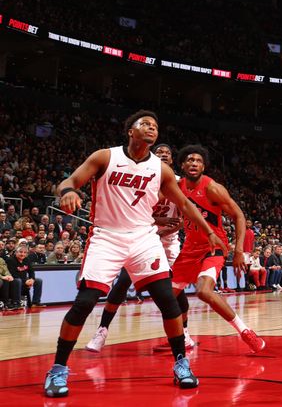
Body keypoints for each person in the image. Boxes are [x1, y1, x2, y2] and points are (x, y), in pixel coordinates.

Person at [44, 111, 226, 397]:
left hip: (144, 238)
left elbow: (187, 205)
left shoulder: (161, 169)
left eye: (155, 126)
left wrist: (209, 230)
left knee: (168, 300)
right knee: (84, 302)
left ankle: (181, 363)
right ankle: (57, 368)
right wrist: (67, 192)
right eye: (145, 124)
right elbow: (68, 182)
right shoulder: (105, 157)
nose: (152, 128)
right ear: (131, 131)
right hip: (107, 237)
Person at [85, 144, 191, 353]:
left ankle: (184, 332)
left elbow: (183, 218)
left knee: (174, 289)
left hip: (167, 242)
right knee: (123, 281)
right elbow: (131, 212)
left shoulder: (178, 182)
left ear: (171, 160)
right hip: (139, 236)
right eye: (159, 152)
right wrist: (158, 221)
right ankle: (102, 330)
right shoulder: (142, 175)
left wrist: (161, 231)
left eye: (167, 153)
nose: (163, 155)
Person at [169, 145, 266, 353]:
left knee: (204, 291)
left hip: (213, 248)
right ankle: (184, 336)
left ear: (203, 166)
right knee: (167, 296)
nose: (194, 163)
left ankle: (245, 331)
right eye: (190, 160)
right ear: (182, 165)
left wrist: (239, 250)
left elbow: (239, 216)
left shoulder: (212, 188)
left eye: (198, 160)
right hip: (189, 249)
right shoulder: (176, 186)